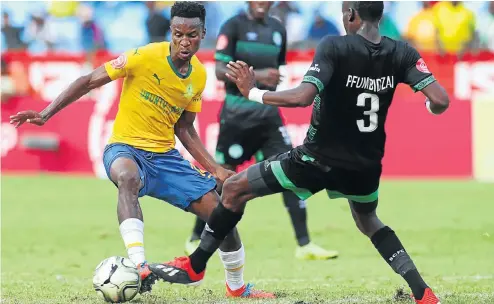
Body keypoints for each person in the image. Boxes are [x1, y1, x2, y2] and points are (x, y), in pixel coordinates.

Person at [149, 2, 449, 304]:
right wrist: (429, 106)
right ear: (379, 16)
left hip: (317, 159)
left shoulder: (334, 46)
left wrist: (252, 91)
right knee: (369, 221)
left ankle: (196, 265)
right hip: (365, 164)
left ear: (350, 15)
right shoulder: (402, 52)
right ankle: (422, 292)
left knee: (235, 188)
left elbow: (303, 97)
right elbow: (440, 100)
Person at [9, 1, 274, 299]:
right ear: (170, 32)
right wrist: (46, 114)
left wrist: (215, 168)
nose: (184, 41)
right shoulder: (143, 56)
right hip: (125, 148)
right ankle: (140, 266)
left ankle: (237, 288)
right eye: (178, 34)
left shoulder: (198, 76)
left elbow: (184, 128)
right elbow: (87, 81)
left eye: (191, 35)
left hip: (165, 159)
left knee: (221, 215)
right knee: (127, 178)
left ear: (203, 34)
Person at [184, 0, 338, 261]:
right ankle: (196, 237)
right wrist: (259, 75)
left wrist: (269, 78)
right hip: (237, 115)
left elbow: (277, 70)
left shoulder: (278, 29)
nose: (261, 3)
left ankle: (304, 244)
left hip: (267, 116)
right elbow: (220, 70)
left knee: (293, 171)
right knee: (223, 178)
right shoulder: (233, 26)